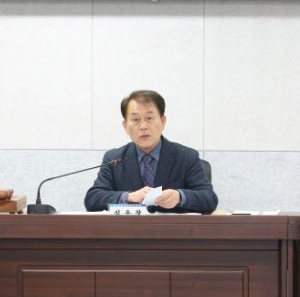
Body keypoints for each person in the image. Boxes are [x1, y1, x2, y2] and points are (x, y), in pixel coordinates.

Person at [85, 90, 218, 214]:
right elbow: (92, 199)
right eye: (135, 120)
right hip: (129, 230)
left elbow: (209, 199)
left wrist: (180, 197)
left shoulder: (186, 157)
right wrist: (128, 197)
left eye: (149, 118)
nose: (143, 126)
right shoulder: (114, 159)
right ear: (125, 126)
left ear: (163, 121)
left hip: (173, 230)